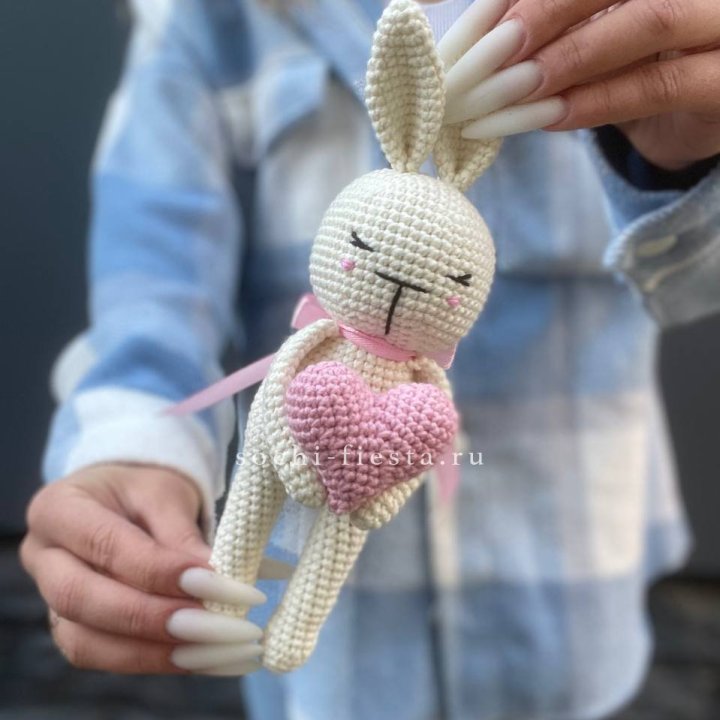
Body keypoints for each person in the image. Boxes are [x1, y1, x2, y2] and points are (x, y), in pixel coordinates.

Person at [20, 0, 720, 718]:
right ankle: (240, 589)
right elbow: (153, 293)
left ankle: (293, 616)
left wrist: (688, 162)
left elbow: (697, 289)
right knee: (264, 492)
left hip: (571, 616)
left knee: (340, 527)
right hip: (333, 686)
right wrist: (136, 448)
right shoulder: (208, 19)